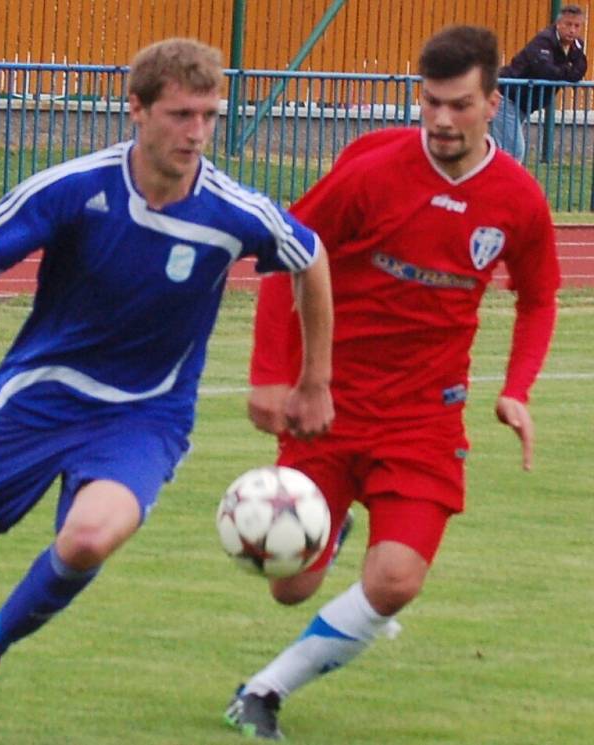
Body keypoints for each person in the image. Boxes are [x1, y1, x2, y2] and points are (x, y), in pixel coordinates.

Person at [0, 38, 335, 734]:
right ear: (136, 109)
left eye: (208, 115)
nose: (197, 132)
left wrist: (314, 377)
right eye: (180, 114)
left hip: (145, 415)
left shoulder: (234, 211)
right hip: (39, 400)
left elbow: (310, 258)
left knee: (88, 537)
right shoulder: (75, 187)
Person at [224, 25, 560, 740]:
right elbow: (286, 257)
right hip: (328, 404)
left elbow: (539, 297)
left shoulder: (519, 200)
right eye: (430, 102)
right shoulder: (371, 172)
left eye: (460, 105)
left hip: (424, 419)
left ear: (493, 103)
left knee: (397, 579)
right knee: (291, 585)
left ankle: (262, 691)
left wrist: (517, 387)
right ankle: (334, 525)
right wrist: (273, 378)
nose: (441, 119)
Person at [490, 4, 587, 162]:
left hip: (523, 104)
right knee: (514, 151)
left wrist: (563, 72)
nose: (572, 30)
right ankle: (504, 185)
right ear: (558, 24)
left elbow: (580, 70)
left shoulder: (576, 45)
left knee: (503, 150)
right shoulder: (543, 41)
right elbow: (546, 71)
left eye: (577, 26)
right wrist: (567, 70)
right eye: (568, 24)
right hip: (506, 97)